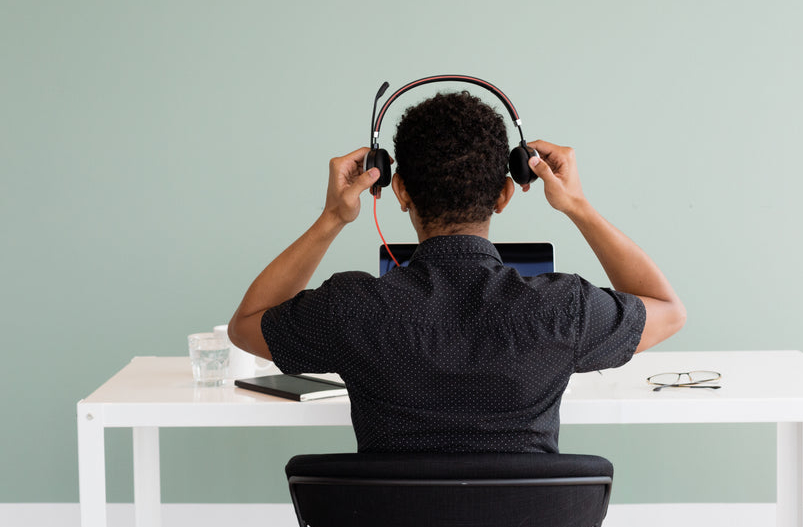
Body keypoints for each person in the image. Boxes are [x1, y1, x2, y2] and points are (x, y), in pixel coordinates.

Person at [228, 91, 685, 453]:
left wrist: (332, 217)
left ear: (399, 190)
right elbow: (668, 310)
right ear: (505, 195)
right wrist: (578, 206)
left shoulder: (350, 308)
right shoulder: (565, 309)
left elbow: (246, 325)